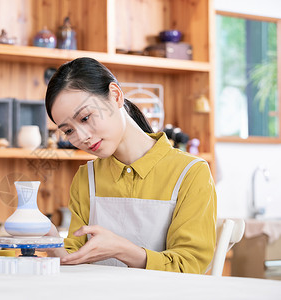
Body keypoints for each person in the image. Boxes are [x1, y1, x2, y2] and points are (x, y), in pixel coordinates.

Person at [44, 57, 216, 273]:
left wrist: (121, 249)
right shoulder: (87, 177)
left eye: (86, 118)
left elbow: (190, 266)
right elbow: (75, 262)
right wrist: (49, 240)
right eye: (68, 131)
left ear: (115, 96)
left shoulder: (190, 173)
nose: (82, 137)